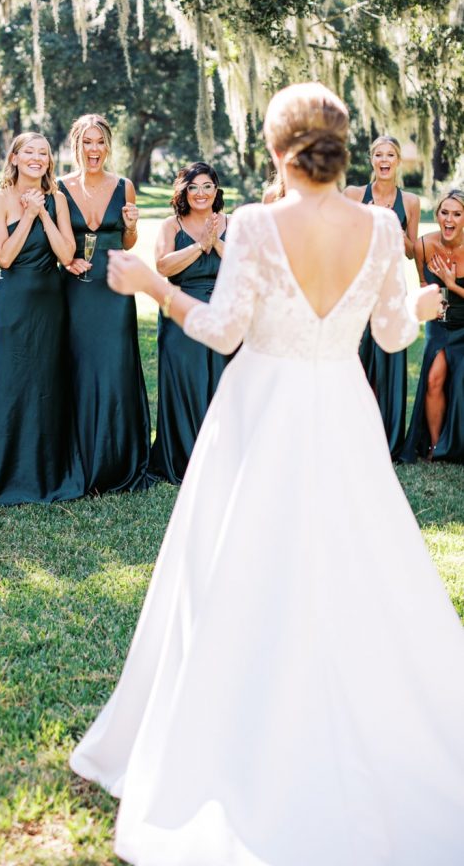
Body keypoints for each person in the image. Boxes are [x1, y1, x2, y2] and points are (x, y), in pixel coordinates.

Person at [70, 83, 464, 866]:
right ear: (343, 149)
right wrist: (422, 303)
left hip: (261, 407)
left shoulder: (254, 222)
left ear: (278, 150)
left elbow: (220, 332)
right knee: (354, 561)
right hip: (341, 411)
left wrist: (152, 285)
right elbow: (388, 336)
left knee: (234, 563)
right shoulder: (383, 225)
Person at [0, 133, 85, 503]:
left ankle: (46, 471)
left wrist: (44, 213)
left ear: (50, 162)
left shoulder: (59, 199)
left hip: (50, 302)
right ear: (14, 158)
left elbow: (67, 253)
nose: (37, 159)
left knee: (46, 383)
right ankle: (6, 473)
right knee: (12, 381)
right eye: (29, 152)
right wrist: (28, 214)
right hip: (14, 301)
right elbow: (4, 257)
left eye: (44, 154)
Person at [59, 113, 150, 493]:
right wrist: (67, 261)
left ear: (108, 147)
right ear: (76, 146)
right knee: (78, 368)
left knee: (114, 368)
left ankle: (117, 457)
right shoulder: (59, 187)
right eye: (86, 142)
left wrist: (130, 224)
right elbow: (57, 241)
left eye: (99, 143)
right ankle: (78, 456)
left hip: (115, 291)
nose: (93, 150)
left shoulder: (124, 186)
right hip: (75, 290)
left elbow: (128, 241)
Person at [150, 161, 231, 484]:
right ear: (184, 191)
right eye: (194, 187)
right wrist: (200, 246)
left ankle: (223, 455)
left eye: (207, 186)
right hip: (182, 312)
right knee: (187, 385)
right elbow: (163, 266)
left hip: (224, 314)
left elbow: (246, 264)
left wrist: (217, 242)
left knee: (222, 384)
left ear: (216, 190)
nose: (201, 193)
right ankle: (186, 457)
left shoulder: (232, 222)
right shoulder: (172, 225)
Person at [344, 137, 420, 455]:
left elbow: (412, 252)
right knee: (358, 362)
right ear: (371, 159)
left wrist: (393, 226)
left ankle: (388, 440)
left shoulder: (411, 202)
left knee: (390, 362)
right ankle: (352, 432)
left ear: (398, 160)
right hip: (359, 289)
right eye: (378, 154)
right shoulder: (353, 195)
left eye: (390, 154)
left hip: (391, 289)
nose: (384, 159)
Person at [401, 188, 464, 463]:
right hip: (438, 325)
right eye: (445, 212)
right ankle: (436, 446)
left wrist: (452, 285)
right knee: (432, 378)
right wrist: (433, 301)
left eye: (457, 214)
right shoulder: (423, 246)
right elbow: (424, 286)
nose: (449, 219)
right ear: (437, 214)